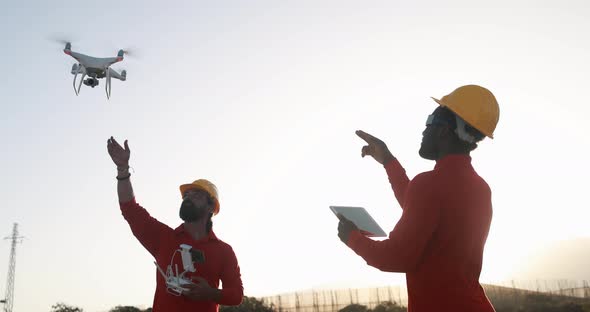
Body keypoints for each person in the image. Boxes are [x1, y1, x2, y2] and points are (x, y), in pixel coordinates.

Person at [337, 85, 499, 312]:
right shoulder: (480, 188)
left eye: (430, 121)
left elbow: (396, 256)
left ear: (444, 131)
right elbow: (423, 209)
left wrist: (352, 237)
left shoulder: (430, 185)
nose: (424, 130)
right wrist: (388, 161)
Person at [107, 137, 243, 311]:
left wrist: (211, 293)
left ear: (211, 206)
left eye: (196, 195)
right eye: (186, 195)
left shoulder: (224, 251)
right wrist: (122, 169)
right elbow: (130, 209)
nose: (188, 198)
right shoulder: (164, 238)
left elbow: (237, 295)